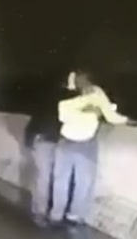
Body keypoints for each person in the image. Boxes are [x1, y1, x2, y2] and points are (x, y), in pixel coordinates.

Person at [49, 71, 129, 226]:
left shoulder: (70, 95)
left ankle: (57, 215)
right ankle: (72, 215)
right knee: (82, 181)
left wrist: (83, 107)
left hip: (68, 141)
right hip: (83, 142)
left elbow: (63, 114)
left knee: (64, 181)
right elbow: (111, 116)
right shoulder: (93, 95)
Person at [24, 72, 72, 225]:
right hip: (55, 140)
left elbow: (33, 121)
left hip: (43, 140)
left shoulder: (44, 99)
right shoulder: (67, 99)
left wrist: (29, 141)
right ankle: (48, 213)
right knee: (53, 178)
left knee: (44, 177)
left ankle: (40, 211)